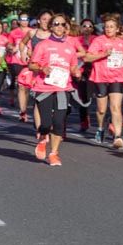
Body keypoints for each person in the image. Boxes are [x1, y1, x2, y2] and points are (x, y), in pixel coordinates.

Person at [27, 13, 82, 166]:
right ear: (51, 26)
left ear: (66, 28)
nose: (59, 27)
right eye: (56, 24)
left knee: (59, 122)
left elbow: (73, 66)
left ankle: (54, 153)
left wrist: (76, 72)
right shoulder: (42, 45)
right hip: (44, 88)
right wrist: (42, 68)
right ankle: (43, 139)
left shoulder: (70, 48)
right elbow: (32, 65)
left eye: (62, 24)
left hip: (63, 88)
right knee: (45, 123)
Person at [84, 14, 123, 149]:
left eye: (111, 27)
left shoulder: (122, 43)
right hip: (100, 77)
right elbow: (87, 58)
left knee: (116, 107)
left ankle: (118, 136)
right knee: (101, 110)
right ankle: (100, 128)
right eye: (106, 27)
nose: (108, 29)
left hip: (117, 77)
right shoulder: (98, 41)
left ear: (117, 29)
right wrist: (104, 54)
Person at [6, 13, 30, 120]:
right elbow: (8, 45)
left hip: (29, 62)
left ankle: (24, 108)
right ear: (19, 21)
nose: (24, 21)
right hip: (17, 61)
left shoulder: (33, 32)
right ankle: (22, 111)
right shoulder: (13, 33)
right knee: (21, 86)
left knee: (27, 87)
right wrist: (12, 48)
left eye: (26, 19)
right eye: (22, 19)